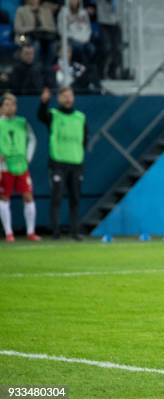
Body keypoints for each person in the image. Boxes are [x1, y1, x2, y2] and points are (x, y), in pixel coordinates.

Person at [38, 86, 87, 240]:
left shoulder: (80, 117)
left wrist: (79, 155)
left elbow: (85, 139)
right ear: (59, 98)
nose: (67, 98)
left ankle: (75, 231)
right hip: (58, 163)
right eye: (64, 96)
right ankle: (56, 231)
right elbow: (41, 116)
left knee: (75, 198)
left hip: (76, 163)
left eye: (70, 95)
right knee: (57, 197)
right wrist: (44, 103)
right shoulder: (53, 115)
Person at [0, 93, 41, 242]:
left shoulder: (22, 122)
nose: (11, 107)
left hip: (21, 166)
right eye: (7, 104)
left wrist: (27, 157)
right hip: (4, 167)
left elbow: (32, 139)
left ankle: (31, 232)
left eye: (13, 104)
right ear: (1, 108)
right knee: (4, 197)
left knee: (28, 196)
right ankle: (9, 233)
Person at [14, 0, 58, 67]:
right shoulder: (21, 10)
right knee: (35, 45)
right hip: (24, 36)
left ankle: (48, 67)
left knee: (53, 45)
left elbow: (53, 28)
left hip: (44, 37)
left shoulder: (46, 11)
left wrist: (43, 29)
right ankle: (35, 68)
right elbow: (17, 28)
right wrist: (32, 29)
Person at [57, 0, 94, 65]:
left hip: (84, 40)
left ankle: (86, 69)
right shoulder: (63, 12)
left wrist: (86, 38)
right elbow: (61, 30)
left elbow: (88, 29)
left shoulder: (84, 13)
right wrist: (75, 38)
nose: (74, 1)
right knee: (79, 48)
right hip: (71, 40)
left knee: (91, 48)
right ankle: (82, 69)